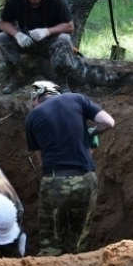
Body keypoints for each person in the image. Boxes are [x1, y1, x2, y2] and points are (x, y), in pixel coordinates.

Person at [25, 81, 115, 256]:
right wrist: (91, 134)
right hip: (86, 180)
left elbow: (42, 162)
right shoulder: (77, 99)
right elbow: (108, 122)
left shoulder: (32, 117)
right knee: (79, 243)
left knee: (51, 245)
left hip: (55, 183)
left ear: (36, 98)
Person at [0, 0, 77, 94]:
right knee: (2, 38)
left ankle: (62, 82)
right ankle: (16, 77)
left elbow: (70, 26)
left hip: (49, 42)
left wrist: (47, 31)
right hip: (26, 41)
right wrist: (17, 35)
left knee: (64, 39)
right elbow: (2, 23)